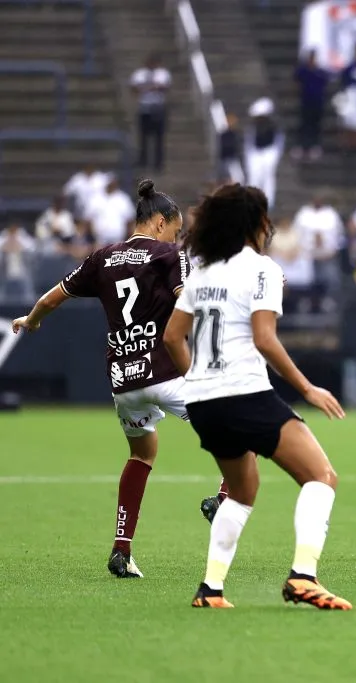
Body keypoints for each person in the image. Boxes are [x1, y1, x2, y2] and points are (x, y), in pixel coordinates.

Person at [162, 183, 351, 610]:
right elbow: (265, 339)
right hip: (243, 393)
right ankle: (303, 576)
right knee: (321, 477)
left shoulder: (203, 272)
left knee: (243, 492)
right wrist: (307, 388)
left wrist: (197, 377)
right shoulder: (261, 269)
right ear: (255, 223)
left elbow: (173, 336)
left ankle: (210, 589)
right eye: (265, 218)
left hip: (203, 401)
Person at [10, 179, 211, 578]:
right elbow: (190, 300)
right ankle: (223, 499)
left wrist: (30, 320)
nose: (177, 236)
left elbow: (51, 299)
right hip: (168, 372)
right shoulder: (170, 254)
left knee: (142, 454)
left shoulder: (102, 257)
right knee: (238, 423)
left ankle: (122, 549)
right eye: (176, 228)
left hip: (124, 381)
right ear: (159, 222)